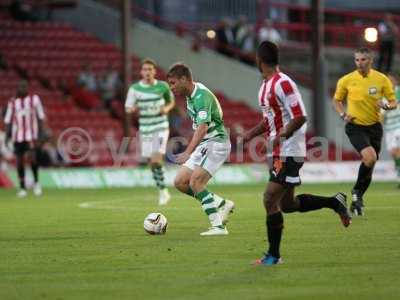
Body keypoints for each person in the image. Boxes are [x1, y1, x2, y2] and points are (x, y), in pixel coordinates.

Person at [242, 41, 351, 265]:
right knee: (287, 205)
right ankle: (335, 202)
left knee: (269, 198)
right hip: (278, 151)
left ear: (259, 60)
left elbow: (300, 116)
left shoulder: (283, 83)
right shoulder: (265, 86)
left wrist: (279, 138)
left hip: (288, 150)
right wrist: (250, 135)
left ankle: (273, 255)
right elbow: (268, 120)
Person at [167, 63, 235, 236]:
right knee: (180, 182)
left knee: (196, 182)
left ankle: (218, 227)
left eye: (173, 83)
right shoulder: (192, 95)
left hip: (216, 142)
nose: (171, 88)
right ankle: (220, 203)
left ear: (184, 79)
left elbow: (203, 128)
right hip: (206, 144)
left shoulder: (200, 97)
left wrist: (188, 152)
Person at [333, 47, 397, 216]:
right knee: (370, 157)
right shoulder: (346, 80)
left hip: (375, 127)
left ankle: (357, 197)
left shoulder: (382, 79)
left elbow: (393, 102)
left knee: (370, 164)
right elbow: (337, 100)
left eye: (363, 60)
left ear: (371, 60)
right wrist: (342, 114)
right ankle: (356, 191)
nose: (359, 63)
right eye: (357, 60)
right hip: (355, 126)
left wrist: (386, 106)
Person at [125, 59, 175, 205]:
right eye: (145, 70)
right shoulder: (134, 89)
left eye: (150, 69)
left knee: (155, 159)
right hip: (145, 128)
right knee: (153, 164)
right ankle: (163, 190)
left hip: (160, 126)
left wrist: (165, 109)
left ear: (154, 71)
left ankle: (163, 191)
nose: (147, 72)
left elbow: (170, 102)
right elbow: (128, 107)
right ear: (141, 72)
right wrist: (132, 109)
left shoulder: (163, 86)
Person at [3, 80, 45, 197]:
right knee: (19, 161)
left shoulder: (34, 99)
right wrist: (7, 137)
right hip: (18, 136)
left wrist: (41, 135)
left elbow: (40, 117)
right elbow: (8, 121)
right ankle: (22, 187)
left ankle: (36, 183)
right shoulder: (12, 102)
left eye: (24, 87)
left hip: (31, 135)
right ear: (17, 88)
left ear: (27, 88)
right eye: (20, 87)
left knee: (32, 157)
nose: (22, 89)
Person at [383, 73, 400, 188]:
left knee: (396, 151)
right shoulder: (383, 97)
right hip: (388, 128)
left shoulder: (398, 91)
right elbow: (382, 116)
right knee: (392, 153)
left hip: (398, 126)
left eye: (391, 80)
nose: (390, 82)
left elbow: (395, 103)